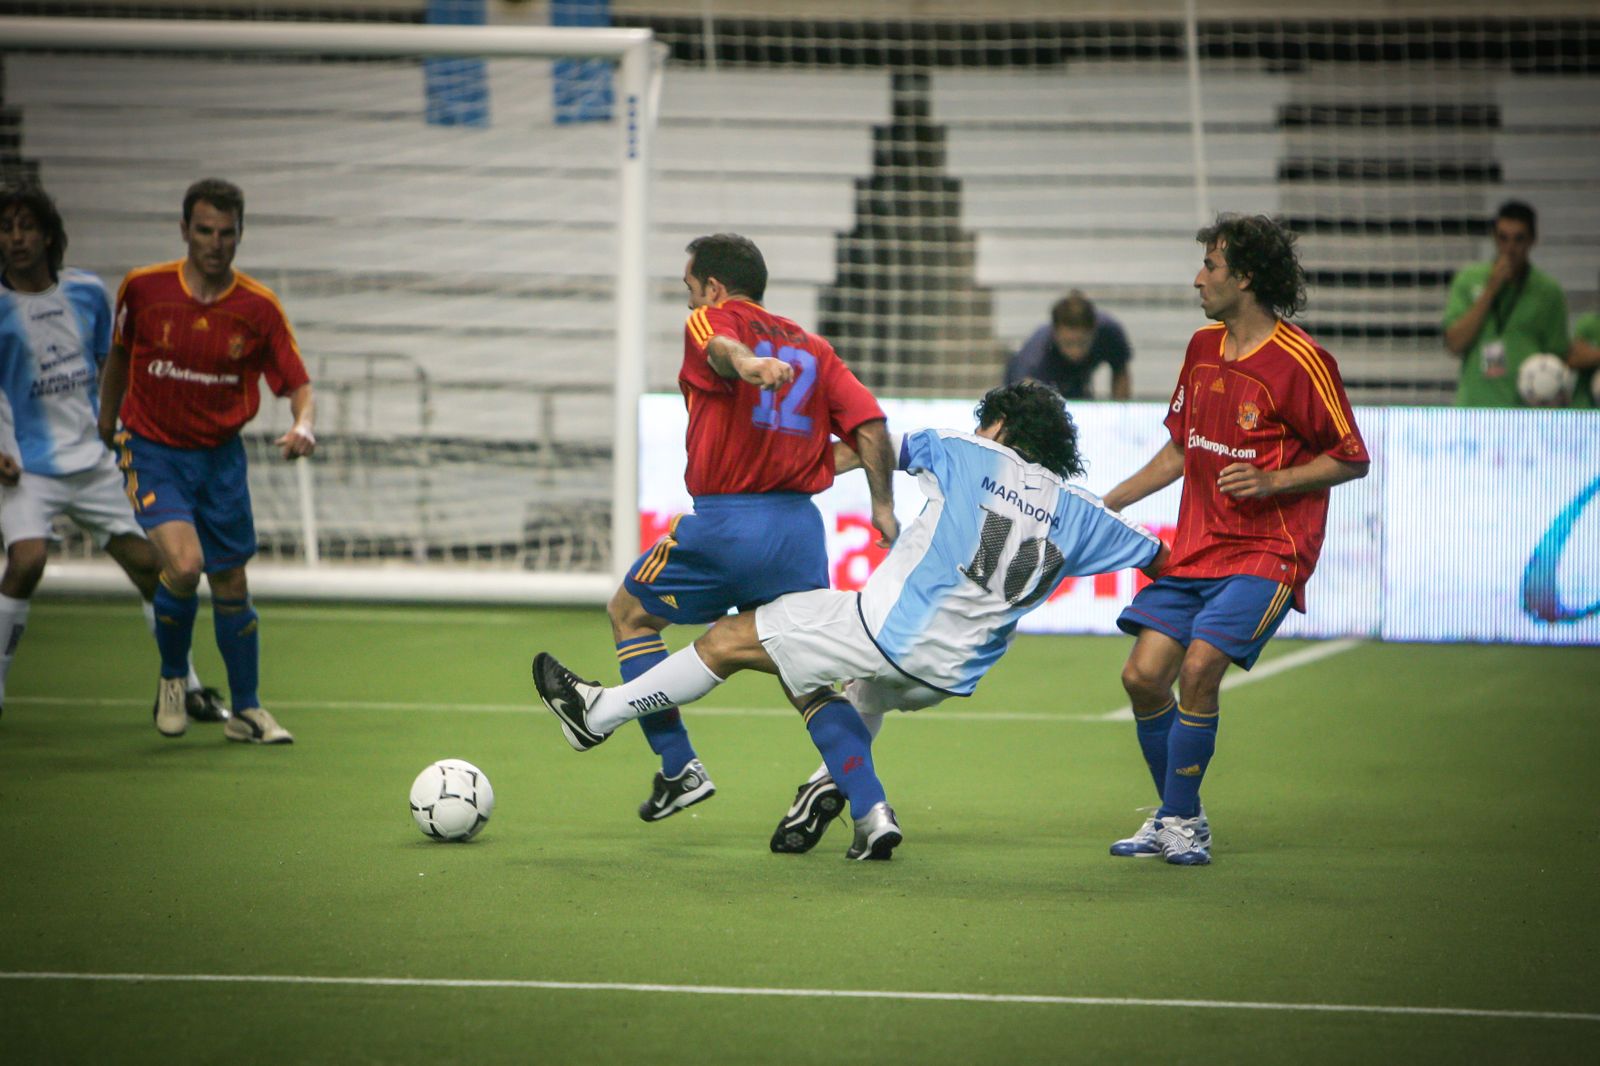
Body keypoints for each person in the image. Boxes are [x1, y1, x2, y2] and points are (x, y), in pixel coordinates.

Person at [532, 380, 1169, 860]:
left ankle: (599, 714)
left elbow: (872, 444)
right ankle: (863, 811)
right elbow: (1164, 559)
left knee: (730, 639)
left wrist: (779, 478)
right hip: (946, 678)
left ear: (998, 425)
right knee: (832, 683)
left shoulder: (967, 450)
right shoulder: (1085, 514)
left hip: (882, 629)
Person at [1100, 213, 1370, 866]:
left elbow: (1352, 458)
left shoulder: (1304, 361)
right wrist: (1106, 503)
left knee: (1198, 669)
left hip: (1268, 554)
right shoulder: (1200, 349)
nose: (1199, 280)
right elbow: (1178, 451)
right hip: (1196, 552)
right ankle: (1171, 815)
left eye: (1211, 267)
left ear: (1245, 277)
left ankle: (1185, 821)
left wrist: (1276, 481)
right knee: (1141, 677)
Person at [603, 232, 897, 823]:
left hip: (730, 525)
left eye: (691, 290)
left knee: (630, 615)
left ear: (713, 286)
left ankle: (677, 766)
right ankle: (872, 811)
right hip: (799, 534)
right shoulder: (816, 347)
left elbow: (721, 350)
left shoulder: (711, 321)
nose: (690, 306)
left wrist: (746, 364)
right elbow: (871, 428)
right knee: (805, 673)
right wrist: (882, 507)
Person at [96, 177, 315, 744]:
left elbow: (297, 383)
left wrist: (303, 424)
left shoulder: (258, 308)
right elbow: (120, 357)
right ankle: (174, 677)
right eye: (204, 231)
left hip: (220, 460)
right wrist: (106, 420)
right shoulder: (143, 290)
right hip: (152, 449)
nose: (215, 243)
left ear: (240, 235)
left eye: (226, 233)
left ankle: (247, 710)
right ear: (185, 230)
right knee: (185, 565)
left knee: (232, 582)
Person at [0, 180, 227, 724]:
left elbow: (116, 364)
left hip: (97, 459)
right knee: (26, 563)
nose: (15, 238)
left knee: (158, 570)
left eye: (26, 226)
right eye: (5, 229)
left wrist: (128, 429)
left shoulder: (86, 293)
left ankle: (185, 687)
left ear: (49, 235)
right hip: (24, 468)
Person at [1442, 200, 1599, 407]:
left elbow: (1559, 356)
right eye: (1503, 238)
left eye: (1519, 239)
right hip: (1474, 407)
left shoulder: (1548, 292)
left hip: (1526, 409)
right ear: (1494, 238)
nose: (1510, 248)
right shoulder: (1469, 280)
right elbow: (1454, 343)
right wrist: (1490, 290)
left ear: (1533, 240)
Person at [1004, 290, 1132, 400]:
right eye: (1068, 343)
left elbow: (1121, 371)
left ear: (1094, 331)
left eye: (1083, 342)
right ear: (1055, 334)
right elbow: (1022, 403)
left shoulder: (1109, 333)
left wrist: (1122, 411)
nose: (1076, 351)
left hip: (1076, 382)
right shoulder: (1033, 359)